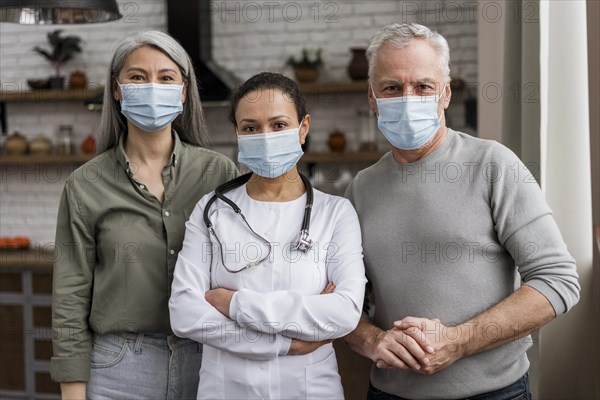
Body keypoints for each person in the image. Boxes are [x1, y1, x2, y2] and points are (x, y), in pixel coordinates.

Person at [343, 23, 581, 400]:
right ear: (372, 97)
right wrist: (372, 339)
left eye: (423, 86)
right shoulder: (361, 188)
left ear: (446, 94)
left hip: (495, 394)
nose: (408, 98)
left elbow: (557, 280)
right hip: (389, 394)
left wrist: (458, 341)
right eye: (392, 87)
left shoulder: (493, 165)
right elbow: (338, 301)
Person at [50, 30, 238, 400]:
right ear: (117, 89)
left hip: (210, 361)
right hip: (119, 367)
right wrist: (72, 392)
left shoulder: (220, 175)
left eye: (166, 77)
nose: (152, 86)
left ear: (183, 91)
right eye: (137, 77)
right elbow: (69, 298)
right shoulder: (85, 185)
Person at [169, 72, 368, 399]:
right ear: (236, 133)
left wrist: (235, 304)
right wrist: (285, 343)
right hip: (226, 389)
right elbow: (185, 313)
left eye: (278, 125)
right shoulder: (212, 211)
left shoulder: (335, 213)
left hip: (309, 390)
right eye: (250, 127)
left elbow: (344, 312)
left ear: (303, 128)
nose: (264, 136)